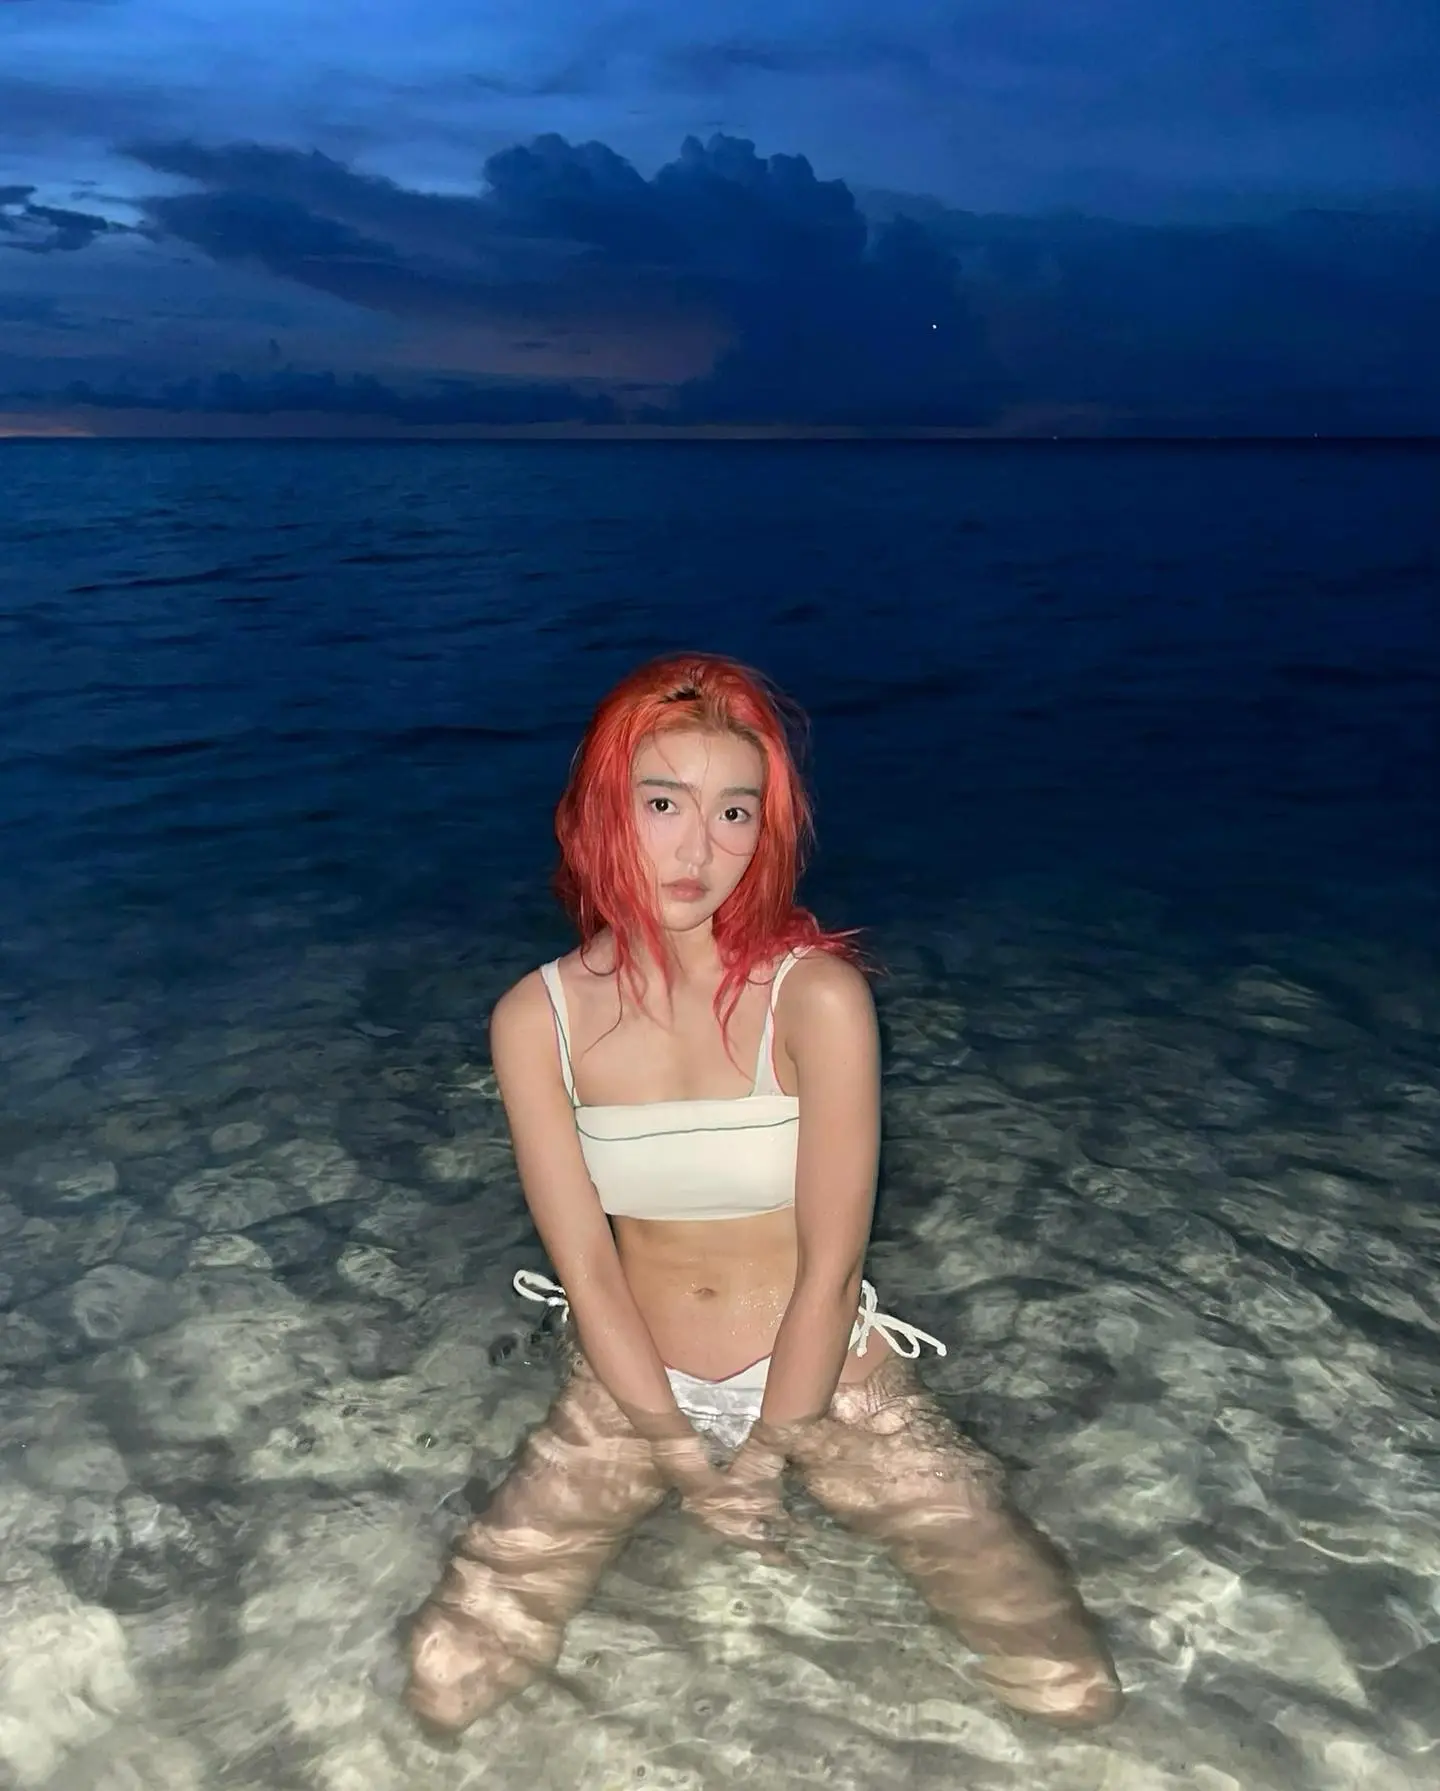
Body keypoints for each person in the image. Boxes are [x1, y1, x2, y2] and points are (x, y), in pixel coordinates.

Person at [405, 653, 1121, 1733]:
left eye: (735, 812)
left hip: (829, 1375)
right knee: (445, 1679)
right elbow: (588, 1271)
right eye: (663, 804)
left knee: (1069, 1686)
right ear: (600, 812)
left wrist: (772, 1451)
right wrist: (676, 1453)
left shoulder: (815, 998)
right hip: (630, 1383)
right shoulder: (533, 1018)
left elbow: (833, 1268)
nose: (701, 848)